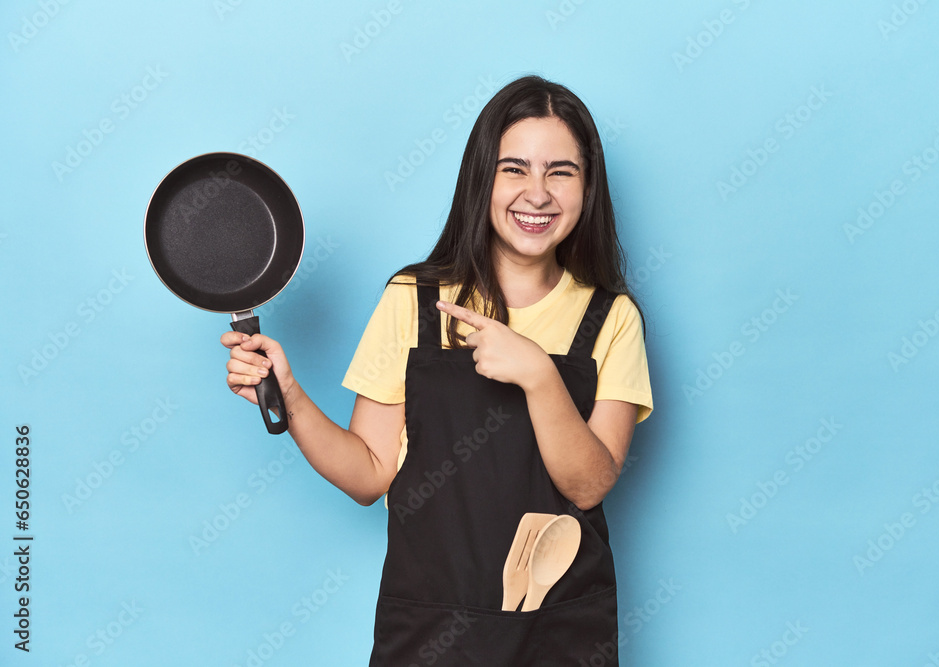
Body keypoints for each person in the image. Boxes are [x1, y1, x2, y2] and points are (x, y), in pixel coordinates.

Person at [221, 75, 653, 665]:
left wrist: (539, 375)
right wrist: (290, 396)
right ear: (483, 179)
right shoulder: (414, 299)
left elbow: (588, 484)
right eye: (514, 169)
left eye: (561, 171)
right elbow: (369, 475)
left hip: (559, 629)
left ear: (587, 186)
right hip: (429, 631)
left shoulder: (611, 318)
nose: (537, 192)